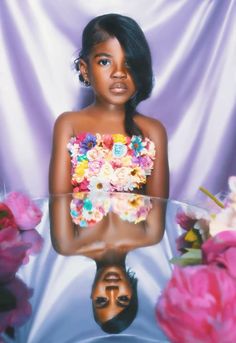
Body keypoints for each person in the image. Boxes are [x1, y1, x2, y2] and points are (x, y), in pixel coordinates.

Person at [49, 13, 169, 333]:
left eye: (103, 301)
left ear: (92, 294)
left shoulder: (152, 131)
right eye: (105, 61)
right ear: (85, 70)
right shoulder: (69, 125)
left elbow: (159, 204)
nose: (118, 73)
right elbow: (59, 197)